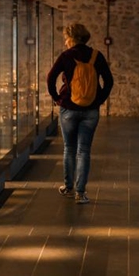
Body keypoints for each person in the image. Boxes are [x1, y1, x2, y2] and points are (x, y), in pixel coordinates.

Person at [47, 23, 113, 204]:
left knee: (69, 148)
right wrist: (99, 99)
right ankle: (81, 193)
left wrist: (56, 98)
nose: (66, 41)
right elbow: (109, 81)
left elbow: (50, 77)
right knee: (84, 151)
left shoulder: (66, 56)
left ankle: (68, 187)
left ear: (72, 38)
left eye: (66, 38)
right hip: (90, 110)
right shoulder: (96, 56)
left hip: (68, 107)